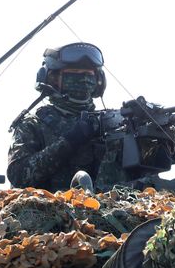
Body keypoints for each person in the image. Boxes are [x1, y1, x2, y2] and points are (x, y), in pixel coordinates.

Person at [7, 43, 109, 191]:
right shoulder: (33, 124)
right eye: (75, 72)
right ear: (53, 78)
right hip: (47, 211)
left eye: (89, 74)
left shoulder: (107, 123)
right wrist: (70, 141)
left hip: (104, 210)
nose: (84, 79)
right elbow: (19, 176)